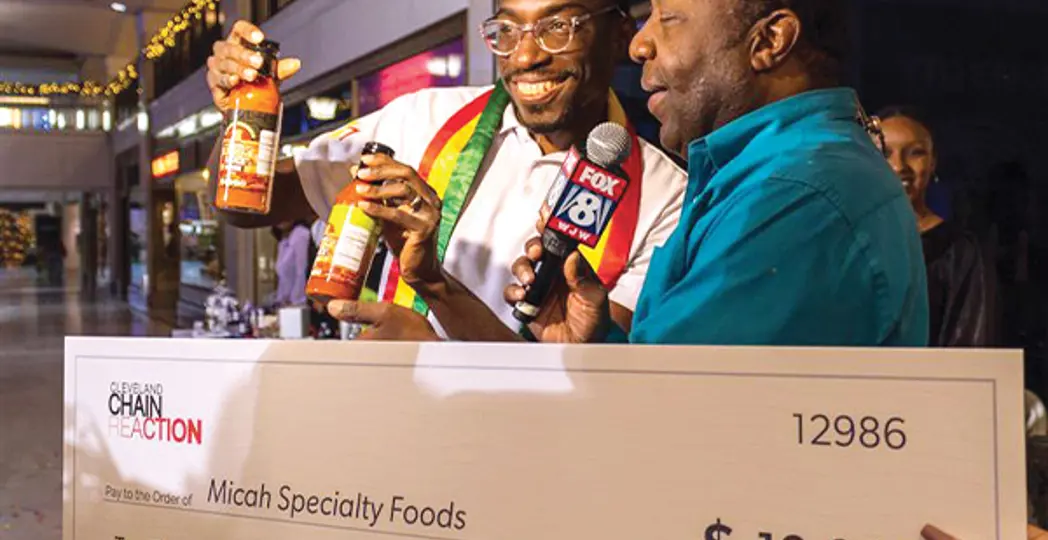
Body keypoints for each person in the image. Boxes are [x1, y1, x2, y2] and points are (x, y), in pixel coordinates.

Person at [329, 0, 929, 346]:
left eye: (669, 17)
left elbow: (653, 424)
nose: (641, 45)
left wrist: (439, 363)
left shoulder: (794, 199)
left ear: (770, 40)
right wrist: (598, 345)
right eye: (508, 30)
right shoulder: (754, 181)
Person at [205, 0, 687, 340]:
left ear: (620, 34)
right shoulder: (422, 118)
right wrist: (239, 115)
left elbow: (596, 378)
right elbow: (249, 206)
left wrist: (437, 350)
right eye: (507, 30)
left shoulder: (667, 194)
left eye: (559, 26)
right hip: (389, 426)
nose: (525, 57)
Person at [876, 106, 994, 347]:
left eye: (915, 153)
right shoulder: (847, 245)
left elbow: (971, 347)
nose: (899, 166)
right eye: (885, 153)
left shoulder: (960, 252)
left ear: (933, 162)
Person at [270, 220, 311, 307]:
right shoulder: (283, 240)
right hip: (286, 304)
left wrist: (296, 300)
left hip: (299, 304)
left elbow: (302, 271)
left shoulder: (300, 234)